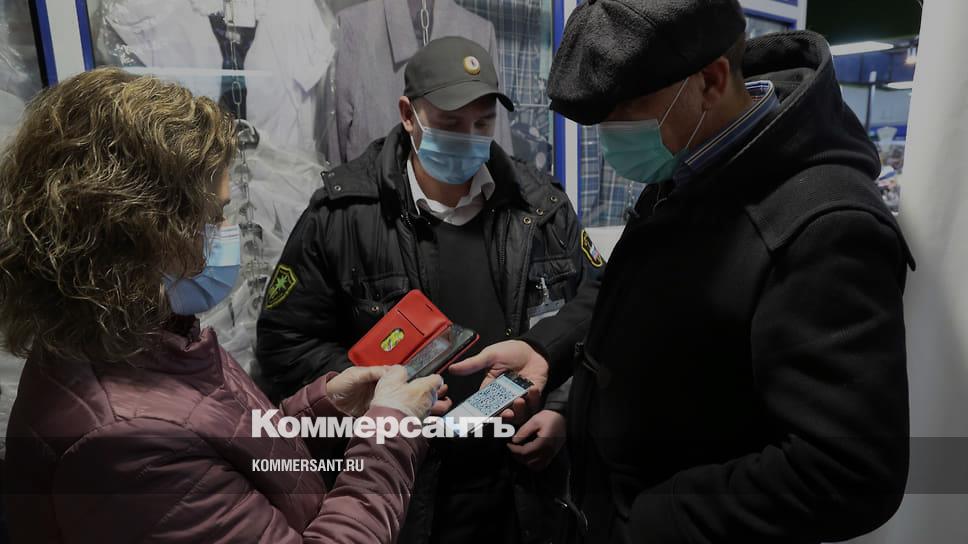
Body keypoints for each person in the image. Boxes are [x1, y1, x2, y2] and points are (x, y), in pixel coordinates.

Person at [450, 1, 917, 542]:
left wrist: (655, 520)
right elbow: (628, 281)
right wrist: (545, 349)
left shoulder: (824, 228)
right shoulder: (698, 156)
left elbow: (847, 471)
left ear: (711, 81)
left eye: (627, 110)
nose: (610, 136)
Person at [0, 67, 443, 544]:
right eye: (214, 216)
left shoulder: (133, 334)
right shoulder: (126, 444)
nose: (228, 231)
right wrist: (389, 436)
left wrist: (321, 406)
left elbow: (221, 445)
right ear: (140, 233)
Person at [256, 37, 600, 544]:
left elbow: (593, 312)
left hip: (516, 491)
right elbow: (284, 344)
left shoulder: (540, 206)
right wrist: (376, 395)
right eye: (451, 123)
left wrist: (561, 408)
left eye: (482, 123)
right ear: (408, 115)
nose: (470, 138)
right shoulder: (343, 215)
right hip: (402, 492)